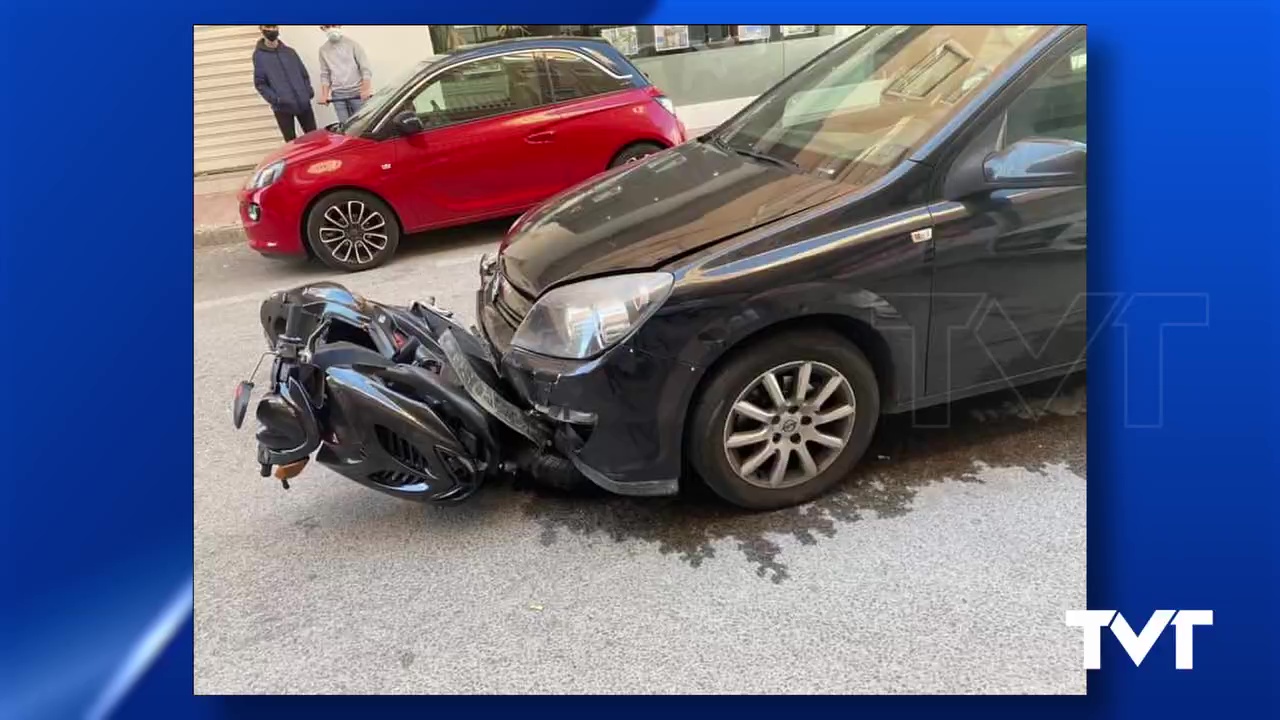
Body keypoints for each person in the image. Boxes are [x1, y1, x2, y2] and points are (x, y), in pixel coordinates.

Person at [252, 25, 316, 142]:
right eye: (267, 27)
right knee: (291, 143)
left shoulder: (290, 52)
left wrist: (307, 92)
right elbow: (260, 83)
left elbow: (304, 74)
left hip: (303, 103)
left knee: (314, 138)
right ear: (261, 29)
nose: (271, 30)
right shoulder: (259, 56)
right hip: (282, 108)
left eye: (274, 27)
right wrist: (276, 99)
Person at [317, 25, 373, 123]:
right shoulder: (323, 50)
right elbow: (325, 74)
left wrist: (366, 89)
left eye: (333, 25)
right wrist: (324, 95)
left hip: (357, 93)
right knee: (345, 126)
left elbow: (365, 69)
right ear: (322, 28)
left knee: (361, 124)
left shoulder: (353, 45)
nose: (331, 28)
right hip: (338, 96)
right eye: (327, 26)